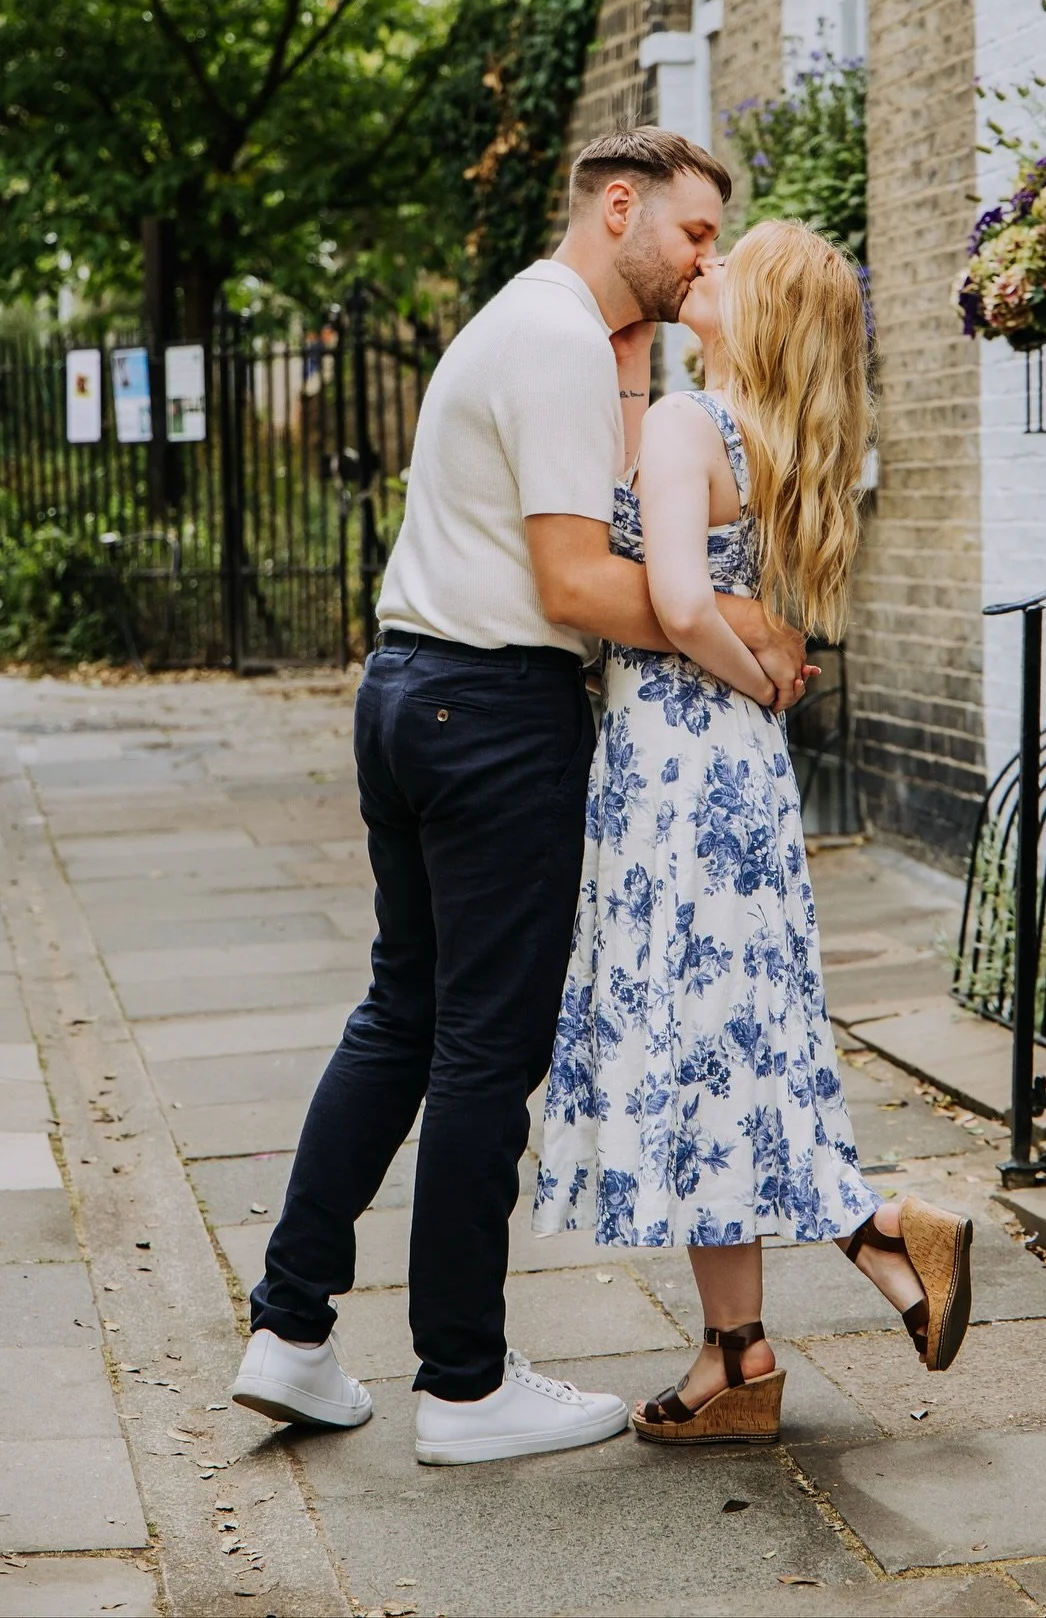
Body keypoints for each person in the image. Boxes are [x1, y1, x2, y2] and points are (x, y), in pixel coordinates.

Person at [231, 130, 810, 1466]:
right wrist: (744, 625)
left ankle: (292, 1334)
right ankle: (465, 1387)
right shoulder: (553, 335)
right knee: (487, 1046)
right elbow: (577, 584)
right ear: (621, 208)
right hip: (492, 710)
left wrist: (634, 384)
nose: (708, 257)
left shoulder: (547, 332)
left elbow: (599, 523)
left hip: (411, 691)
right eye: (696, 233)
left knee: (403, 1016)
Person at [534, 219, 973, 1444]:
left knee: (698, 1041)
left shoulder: (689, 425)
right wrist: (762, 682)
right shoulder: (786, 449)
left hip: (677, 763)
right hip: (736, 775)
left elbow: (675, 601)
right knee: (722, 1040)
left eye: (731, 268)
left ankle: (875, 1233)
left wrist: (746, 672)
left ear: (762, 316)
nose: (704, 269)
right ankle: (745, 1350)